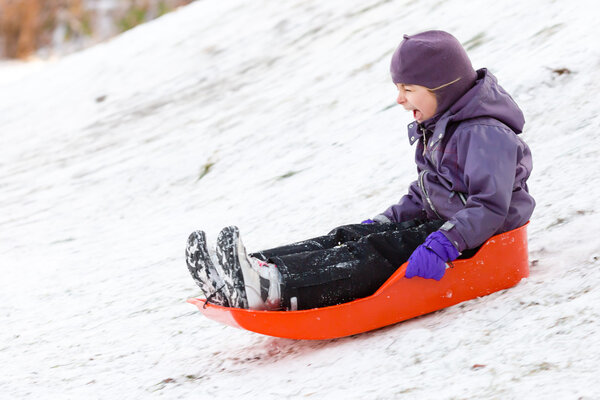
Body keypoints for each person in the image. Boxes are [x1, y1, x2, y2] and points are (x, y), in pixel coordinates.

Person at [185, 30, 535, 311]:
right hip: (445, 228)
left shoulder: (485, 134)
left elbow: (490, 207)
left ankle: (277, 287)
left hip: (477, 239)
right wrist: (387, 219)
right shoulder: (442, 125)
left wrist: (445, 243)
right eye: (398, 88)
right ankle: (252, 269)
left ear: (441, 88)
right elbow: (427, 190)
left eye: (408, 89)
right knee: (349, 237)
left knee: (373, 255)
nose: (399, 98)